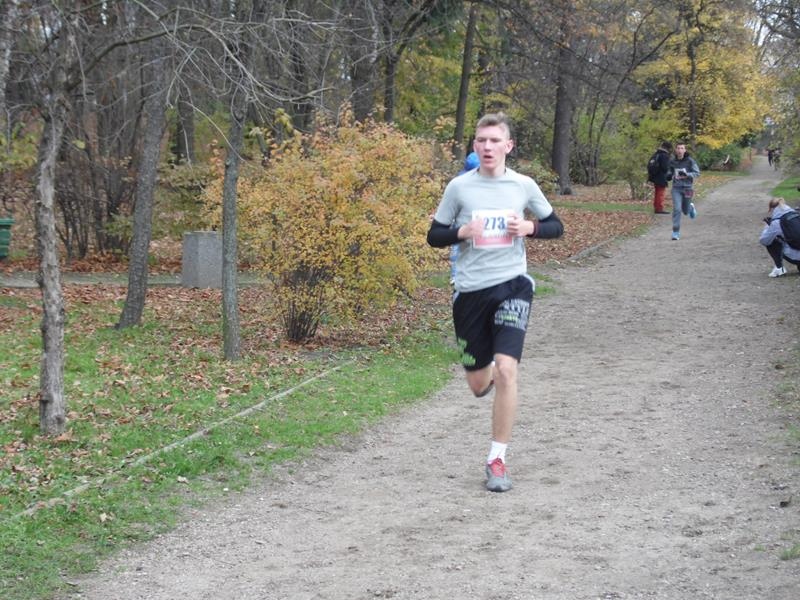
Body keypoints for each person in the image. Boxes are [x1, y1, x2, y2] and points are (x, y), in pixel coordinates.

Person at [427, 113, 564, 492]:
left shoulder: (523, 185)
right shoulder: (459, 188)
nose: (487, 147)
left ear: (508, 146)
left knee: (506, 370)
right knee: (478, 383)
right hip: (470, 292)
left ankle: (497, 459)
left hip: (512, 285)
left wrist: (530, 227)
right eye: (481, 141)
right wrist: (462, 231)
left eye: (494, 140)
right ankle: (484, 366)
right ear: (475, 146)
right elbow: (434, 235)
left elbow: (556, 226)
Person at [449, 151, 481, 282]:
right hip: (461, 223)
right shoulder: (459, 185)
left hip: (478, 224)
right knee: (458, 248)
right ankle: (456, 276)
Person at [760, 197, 800, 277]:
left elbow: (764, 240)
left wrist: (767, 227)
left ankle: (779, 269)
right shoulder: (797, 214)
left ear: (771, 208)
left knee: (772, 241)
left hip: (796, 257)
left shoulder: (776, 221)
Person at [669, 142, 700, 240]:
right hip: (676, 188)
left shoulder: (690, 161)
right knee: (677, 209)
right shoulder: (672, 161)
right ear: (676, 150)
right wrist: (668, 175)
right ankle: (675, 232)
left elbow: (697, 173)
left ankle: (690, 207)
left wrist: (687, 174)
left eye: (682, 148)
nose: (680, 150)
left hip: (688, 188)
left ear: (685, 150)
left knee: (685, 211)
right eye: (678, 148)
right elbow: (669, 172)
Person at [647, 141, 673, 214]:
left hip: (654, 176)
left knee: (657, 192)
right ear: (668, 148)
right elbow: (665, 168)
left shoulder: (656, 154)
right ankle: (659, 208)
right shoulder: (664, 155)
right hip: (661, 177)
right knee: (660, 193)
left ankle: (656, 207)